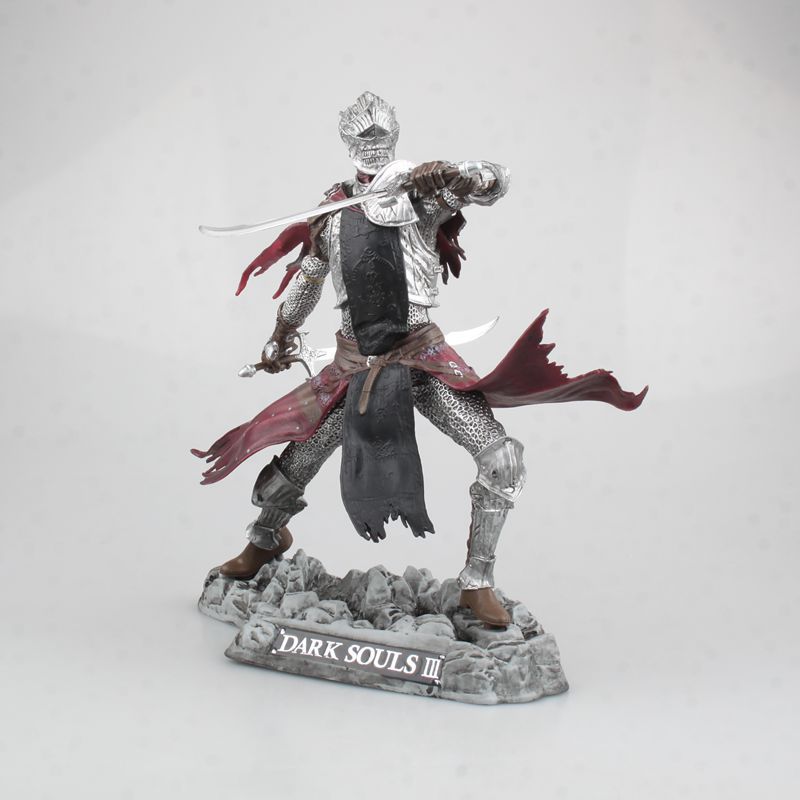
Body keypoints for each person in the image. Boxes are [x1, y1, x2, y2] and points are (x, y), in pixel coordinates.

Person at [193, 91, 646, 627]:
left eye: (380, 138)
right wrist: (282, 331)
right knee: (288, 471)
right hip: (356, 366)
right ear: (347, 143)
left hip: (423, 359)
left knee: (502, 459)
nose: (372, 147)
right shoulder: (332, 213)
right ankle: (266, 538)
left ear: (394, 138)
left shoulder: (422, 197)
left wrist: (457, 172)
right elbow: (310, 279)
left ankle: (477, 581)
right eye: (362, 139)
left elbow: (494, 183)